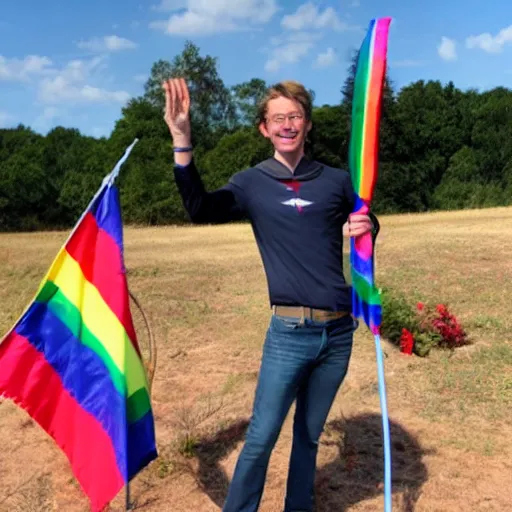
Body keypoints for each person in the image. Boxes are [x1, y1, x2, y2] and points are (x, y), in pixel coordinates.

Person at [162, 77, 375, 512]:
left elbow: (368, 221)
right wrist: (182, 140)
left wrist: (368, 226)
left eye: (294, 116)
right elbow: (200, 209)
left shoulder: (336, 181)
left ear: (308, 124)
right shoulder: (251, 183)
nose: (287, 124)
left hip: (338, 334)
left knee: (309, 436)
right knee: (261, 437)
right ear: (264, 128)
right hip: (288, 333)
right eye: (278, 118)